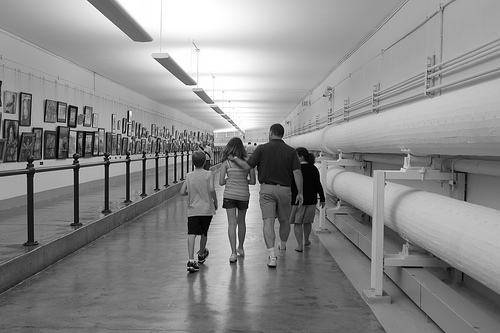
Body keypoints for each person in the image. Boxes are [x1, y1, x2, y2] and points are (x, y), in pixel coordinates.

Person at [229, 123, 303, 268]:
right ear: (282, 134)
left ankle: (271, 256)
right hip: (285, 190)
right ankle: (282, 246)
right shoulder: (291, 151)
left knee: (268, 222)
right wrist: (300, 192)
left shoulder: (262, 149)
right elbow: (297, 172)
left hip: (267, 189)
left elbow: (246, 167)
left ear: (270, 133)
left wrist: (234, 159)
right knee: (284, 221)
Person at [180, 150, 218, 273]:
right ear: (204, 162)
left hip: (193, 209)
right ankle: (201, 254)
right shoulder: (209, 174)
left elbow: (182, 192)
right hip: (206, 208)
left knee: (191, 233)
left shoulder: (189, 175)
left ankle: (191, 259)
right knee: (203, 232)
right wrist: (215, 201)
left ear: (192, 162)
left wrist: (189, 192)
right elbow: (212, 189)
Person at [219, 137, 256, 263]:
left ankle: (233, 253)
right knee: (241, 222)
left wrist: (229, 180)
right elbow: (253, 181)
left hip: (229, 195)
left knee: (231, 223)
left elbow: (220, 182)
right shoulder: (248, 162)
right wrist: (243, 180)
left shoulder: (226, 163)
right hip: (243, 195)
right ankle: (241, 247)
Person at [290, 147, 325, 252]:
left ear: (301, 157)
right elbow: (318, 184)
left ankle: (299, 245)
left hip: (297, 200)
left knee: (297, 223)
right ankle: (306, 240)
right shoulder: (313, 168)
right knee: (307, 222)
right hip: (311, 200)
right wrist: (322, 198)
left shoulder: (295, 169)